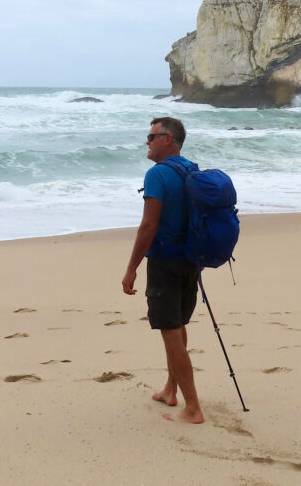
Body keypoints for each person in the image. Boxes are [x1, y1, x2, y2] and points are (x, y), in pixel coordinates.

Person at [121, 116, 204, 424]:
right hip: (190, 260)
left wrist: (131, 268)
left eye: (153, 135)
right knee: (178, 325)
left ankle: (193, 408)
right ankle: (171, 389)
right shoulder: (191, 170)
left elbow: (149, 225)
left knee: (170, 331)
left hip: (166, 262)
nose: (148, 140)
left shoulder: (157, 174)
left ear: (169, 140)